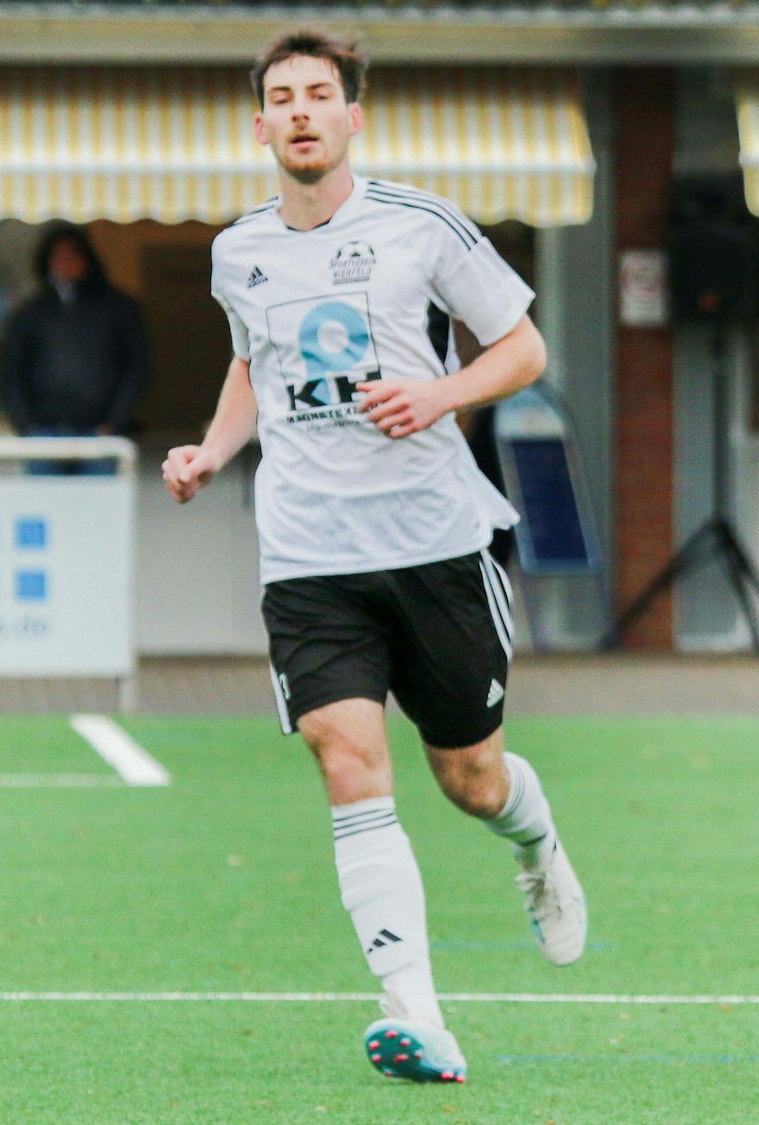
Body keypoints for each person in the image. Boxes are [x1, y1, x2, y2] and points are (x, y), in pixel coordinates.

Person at [160, 30, 585, 1085]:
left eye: (319, 95)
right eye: (281, 98)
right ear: (261, 126)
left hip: (436, 543)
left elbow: (523, 346)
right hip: (307, 556)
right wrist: (212, 451)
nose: (301, 112)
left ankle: (535, 847)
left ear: (353, 116)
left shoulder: (420, 227)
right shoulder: (238, 251)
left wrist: (437, 395)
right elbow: (251, 364)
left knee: (470, 778)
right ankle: (414, 1013)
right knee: (348, 764)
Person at [0, 222, 148, 473]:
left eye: (73, 254)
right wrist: (26, 426)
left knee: (96, 508)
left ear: (88, 258)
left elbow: (136, 369)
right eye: (57, 256)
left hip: (100, 435)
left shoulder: (118, 308)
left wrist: (113, 422)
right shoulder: (30, 313)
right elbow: (10, 374)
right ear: (46, 261)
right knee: (45, 508)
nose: (65, 262)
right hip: (42, 435)